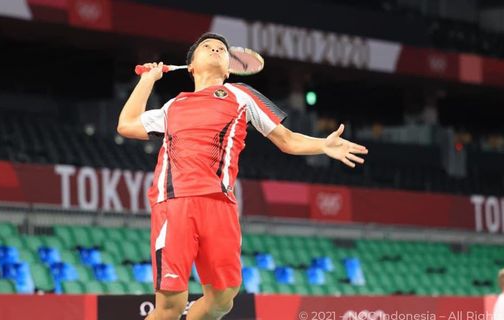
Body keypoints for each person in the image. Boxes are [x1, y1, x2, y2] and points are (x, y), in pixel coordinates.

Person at [117, 32, 368, 320]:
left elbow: (286, 139)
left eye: (221, 49)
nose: (215, 48)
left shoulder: (242, 95)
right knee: (170, 306)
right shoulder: (172, 106)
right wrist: (147, 80)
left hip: (221, 205)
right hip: (175, 203)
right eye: (206, 47)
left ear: (228, 68)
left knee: (223, 299)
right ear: (191, 67)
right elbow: (126, 125)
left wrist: (323, 144)